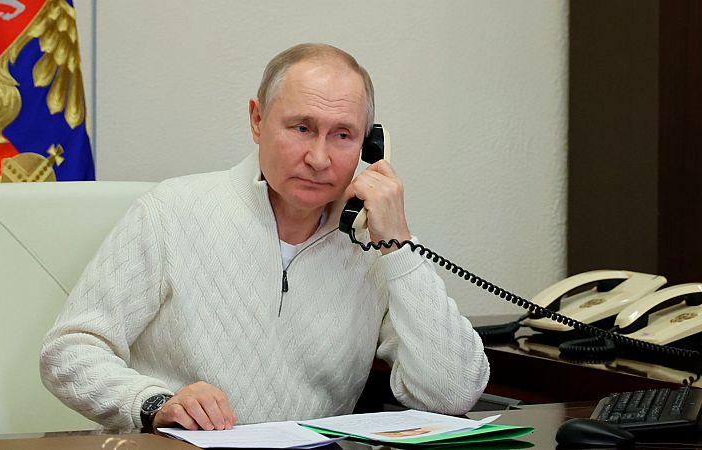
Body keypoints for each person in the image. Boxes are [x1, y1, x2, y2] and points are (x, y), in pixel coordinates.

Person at [40, 43, 489, 434]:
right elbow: (68, 351)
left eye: (343, 135)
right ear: (257, 120)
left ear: (369, 146)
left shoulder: (374, 246)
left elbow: (450, 393)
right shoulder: (170, 212)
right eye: (301, 128)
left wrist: (398, 246)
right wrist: (154, 403)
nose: (319, 158)